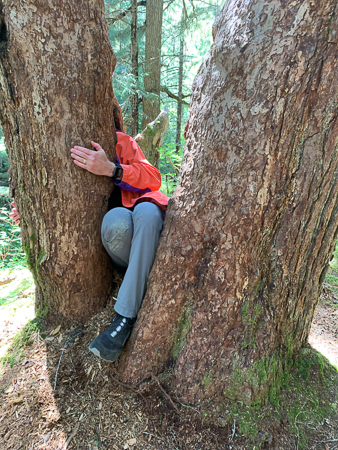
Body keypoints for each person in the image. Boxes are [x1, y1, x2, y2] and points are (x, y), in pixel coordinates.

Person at [10, 107, 169, 363]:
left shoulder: (121, 141)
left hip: (146, 226)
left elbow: (153, 177)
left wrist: (112, 169)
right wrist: (29, 220)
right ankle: (137, 290)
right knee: (116, 222)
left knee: (150, 211)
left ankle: (124, 318)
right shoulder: (44, 143)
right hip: (119, 239)